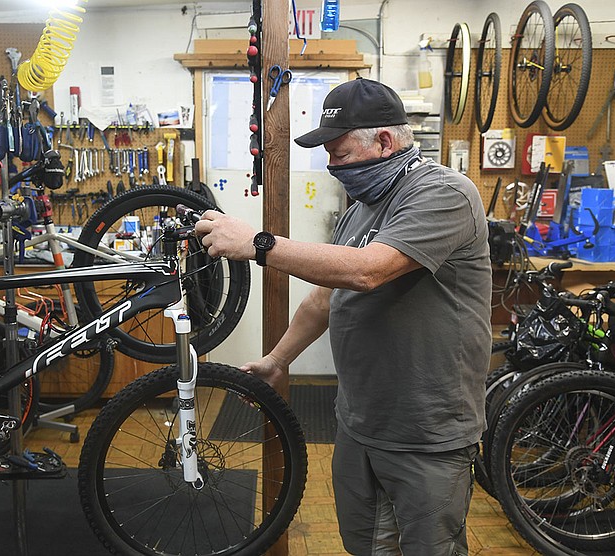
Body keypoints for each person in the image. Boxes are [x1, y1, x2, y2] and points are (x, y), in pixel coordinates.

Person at [194, 77, 491, 555]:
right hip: (359, 421)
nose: (333, 168)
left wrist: (258, 245)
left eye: (340, 154)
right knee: (367, 547)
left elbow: (370, 272)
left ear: (386, 142)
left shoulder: (444, 194)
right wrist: (277, 359)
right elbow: (325, 297)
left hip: (426, 429)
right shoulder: (363, 208)